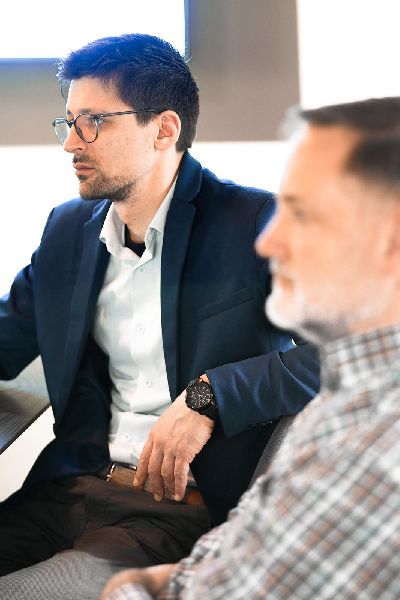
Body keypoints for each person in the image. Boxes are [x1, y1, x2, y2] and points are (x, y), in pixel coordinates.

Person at [0, 33, 319, 599]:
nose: (70, 143)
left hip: (176, 513)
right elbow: (6, 339)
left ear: (164, 129)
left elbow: (363, 347)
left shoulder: (255, 223)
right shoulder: (66, 231)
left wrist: (210, 396)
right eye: (68, 123)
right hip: (65, 492)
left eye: (93, 123)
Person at [100, 96, 400, 600]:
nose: (267, 242)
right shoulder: (348, 397)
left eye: (302, 214)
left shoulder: (374, 449)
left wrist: (127, 589)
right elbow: (237, 552)